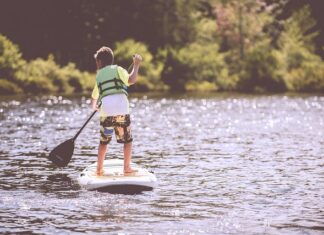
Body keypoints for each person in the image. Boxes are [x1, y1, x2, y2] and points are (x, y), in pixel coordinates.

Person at [91, 46, 142, 176]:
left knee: (104, 141)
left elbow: (94, 96)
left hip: (106, 111)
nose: (96, 65)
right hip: (121, 110)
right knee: (127, 140)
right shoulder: (118, 69)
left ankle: (99, 169)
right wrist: (136, 65)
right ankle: (126, 167)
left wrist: (94, 106)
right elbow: (132, 80)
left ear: (100, 62)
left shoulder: (99, 75)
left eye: (97, 62)